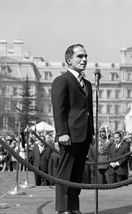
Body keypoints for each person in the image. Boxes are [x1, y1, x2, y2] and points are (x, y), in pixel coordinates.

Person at [51, 44, 94, 214]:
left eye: (85, 56)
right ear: (69, 60)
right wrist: (62, 132)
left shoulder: (88, 84)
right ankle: (62, 209)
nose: (84, 60)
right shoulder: (62, 81)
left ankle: (74, 208)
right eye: (80, 56)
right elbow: (59, 109)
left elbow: (88, 111)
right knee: (65, 174)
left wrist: (91, 133)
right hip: (68, 135)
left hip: (84, 135)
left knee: (77, 174)